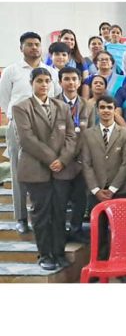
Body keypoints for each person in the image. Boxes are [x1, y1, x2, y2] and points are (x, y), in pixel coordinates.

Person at [13, 68, 76, 270]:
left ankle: (59, 252)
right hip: (36, 170)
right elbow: (27, 139)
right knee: (41, 214)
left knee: (59, 213)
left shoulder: (62, 107)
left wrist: (63, 160)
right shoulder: (21, 107)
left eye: (47, 81)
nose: (44, 85)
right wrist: (52, 159)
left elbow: (71, 137)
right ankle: (45, 254)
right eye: (39, 81)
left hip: (61, 170)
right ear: (31, 82)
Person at [0, 32, 61, 234]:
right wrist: (13, 119)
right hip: (19, 126)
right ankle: (21, 217)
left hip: (47, 127)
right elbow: (5, 98)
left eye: (37, 44)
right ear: (21, 48)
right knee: (19, 172)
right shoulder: (11, 71)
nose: (34, 48)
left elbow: (56, 96)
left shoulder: (51, 71)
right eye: (29, 44)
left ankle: (44, 215)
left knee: (47, 171)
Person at [81, 95, 126, 260]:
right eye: (102, 107)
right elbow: (86, 164)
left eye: (109, 107)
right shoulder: (88, 134)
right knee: (99, 233)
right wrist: (96, 190)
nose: (106, 111)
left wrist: (112, 189)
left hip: (120, 191)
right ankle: (100, 265)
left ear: (115, 110)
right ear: (97, 110)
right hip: (95, 193)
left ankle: (122, 267)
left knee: (121, 233)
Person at [55, 66, 95, 242]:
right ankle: (61, 232)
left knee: (80, 200)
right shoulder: (52, 105)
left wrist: (81, 160)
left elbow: (90, 134)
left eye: (74, 79)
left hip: (80, 162)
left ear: (79, 82)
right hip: (59, 162)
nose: (71, 83)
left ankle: (77, 230)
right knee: (60, 201)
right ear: (60, 82)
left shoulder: (88, 105)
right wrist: (62, 158)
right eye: (67, 79)